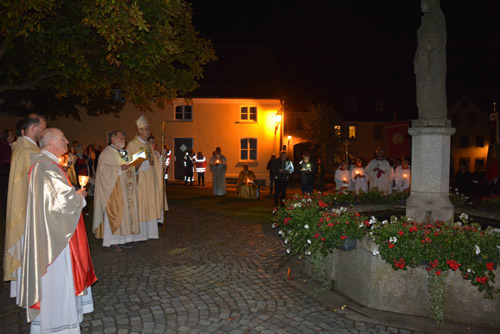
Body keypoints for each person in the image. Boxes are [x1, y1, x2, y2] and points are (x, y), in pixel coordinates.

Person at [19, 128, 97, 332]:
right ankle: (58, 324)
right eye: (63, 139)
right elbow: (62, 204)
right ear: (52, 142)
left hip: (53, 231)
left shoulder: (45, 164)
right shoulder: (46, 167)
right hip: (55, 238)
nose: (67, 141)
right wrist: (79, 195)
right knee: (58, 279)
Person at [4, 114, 46, 299]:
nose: (44, 132)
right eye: (43, 128)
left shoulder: (28, 149)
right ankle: (27, 288)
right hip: (27, 209)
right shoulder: (25, 152)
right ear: (34, 128)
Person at [93, 131, 140, 251]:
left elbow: (128, 165)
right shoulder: (107, 153)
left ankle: (124, 239)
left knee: (125, 214)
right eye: (121, 137)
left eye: (124, 137)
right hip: (113, 189)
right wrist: (119, 168)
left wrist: (135, 165)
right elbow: (103, 171)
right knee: (115, 213)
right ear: (113, 139)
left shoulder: (123, 152)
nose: (124, 139)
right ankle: (114, 241)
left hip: (125, 188)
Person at [126, 115, 160, 241]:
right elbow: (129, 164)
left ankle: (150, 233)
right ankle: (139, 235)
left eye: (148, 129)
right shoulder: (132, 145)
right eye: (145, 129)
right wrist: (142, 162)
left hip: (151, 181)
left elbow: (153, 161)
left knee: (150, 204)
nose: (148, 131)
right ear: (140, 131)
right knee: (141, 206)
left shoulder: (148, 145)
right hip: (140, 181)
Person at [148, 136, 168, 213]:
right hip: (151, 181)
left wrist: (163, 156)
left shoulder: (156, 153)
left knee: (159, 199)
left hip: (158, 180)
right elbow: (154, 165)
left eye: (155, 142)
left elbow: (161, 166)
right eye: (152, 142)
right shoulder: (147, 153)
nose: (155, 144)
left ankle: (160, 218)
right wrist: (162, 156)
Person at [0, 129, 15, 217]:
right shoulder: (2, 146)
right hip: (4, 172)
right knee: (5, 193)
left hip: (9, 171)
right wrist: (10, 160)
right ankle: (5, 213)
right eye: (11, 135)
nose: (13, 137)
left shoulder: (13, 145)